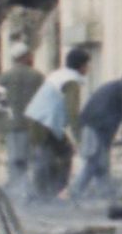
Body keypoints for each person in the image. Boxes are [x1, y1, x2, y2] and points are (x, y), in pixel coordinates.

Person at [69, 68, 122, 203]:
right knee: (93, 163)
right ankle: (73, 193)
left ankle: (107, 196)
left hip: (94, 127)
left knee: (102, 166)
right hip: (95, 128)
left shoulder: (114, 86)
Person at [25, 47, 88, 200]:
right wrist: (79, 137)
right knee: (50, 156)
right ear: (81, 66)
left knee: (54, 154)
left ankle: (47, 193)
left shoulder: (59, 74)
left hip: (39, 118)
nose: (88, 68)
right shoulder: (71, 81)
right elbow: (73, 111)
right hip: (44, 122)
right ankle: (49, 193)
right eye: (87, 65)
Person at [0, 42, 44, 197]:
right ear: (26, 57)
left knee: (15, 160)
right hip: (32, 125)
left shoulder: (4, 76)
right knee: (33, 160)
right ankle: (31, 192)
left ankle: (18, 192)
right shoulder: (37, 76)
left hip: (12, 126)